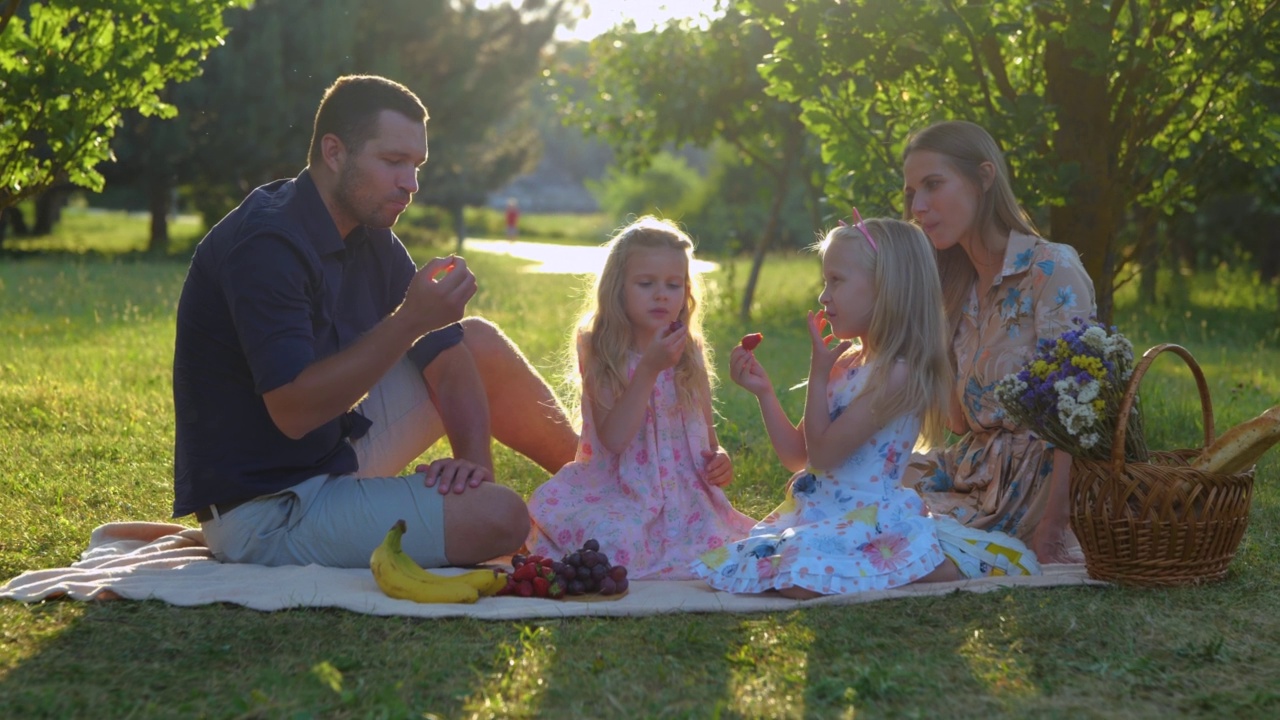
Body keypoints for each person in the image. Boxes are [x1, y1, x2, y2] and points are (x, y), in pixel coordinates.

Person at [172, 75, 577, 569]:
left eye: (416, 165)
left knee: (478, 342)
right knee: (502, 519)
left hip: (333, 457)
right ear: (335, 152)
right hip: (269, 509)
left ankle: (606, 487)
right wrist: (410, 320)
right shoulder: (266, 244)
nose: (411, 183)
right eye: (393, 162)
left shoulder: (366, 228)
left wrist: (473, 470)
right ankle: (509, 507)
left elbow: (448, 359)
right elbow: (294, 412)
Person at [691, 214, 1039, 599]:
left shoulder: (897, 374)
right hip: (822, 513)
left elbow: (822, 456)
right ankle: (899, 564)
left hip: (872, 520)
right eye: (825, 281)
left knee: (797, 578)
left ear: (887, 288)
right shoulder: (846, 363)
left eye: (836, 281)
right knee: (755, 565)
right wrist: (765, 393)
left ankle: (932, 563)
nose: (824, 296)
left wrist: (819, 373)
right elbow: (798, 457)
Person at [900, 120, 1098, 564]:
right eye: (913, 192)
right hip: (973, 466)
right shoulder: (955, 288)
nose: (919, 206)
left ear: (984, 177)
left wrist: (1056, 522)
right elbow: (957, 421)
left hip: (1033, 482)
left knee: (896, 535)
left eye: (933, 185)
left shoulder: (1049, 269)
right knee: (843, 488)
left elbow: (1078, 412)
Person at [524, 216, 756, 579]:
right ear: (618, 288)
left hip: (685, 498)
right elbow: (614, 440)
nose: (662, 294)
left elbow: (709, 441)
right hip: (618, 492)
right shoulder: (600, 345)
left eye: (673, 284)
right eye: (646, 284)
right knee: (615, 544)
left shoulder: (689, 348)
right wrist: (648, 369)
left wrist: (720, 458)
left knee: (717, 543)